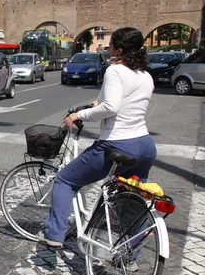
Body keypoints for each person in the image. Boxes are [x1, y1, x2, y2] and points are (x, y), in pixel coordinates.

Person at [38, 27, 157, 248]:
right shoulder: (145, 75)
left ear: (119, 49)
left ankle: (54, 235)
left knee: (64, 180)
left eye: (110, 45)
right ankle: (128, 254)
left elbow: (111, 107)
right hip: (145, 145)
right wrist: (95, 103)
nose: (108, 48)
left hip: (118, 143)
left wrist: (78, 115)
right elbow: (126, 101)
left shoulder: (115, 71)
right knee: (134, 201)